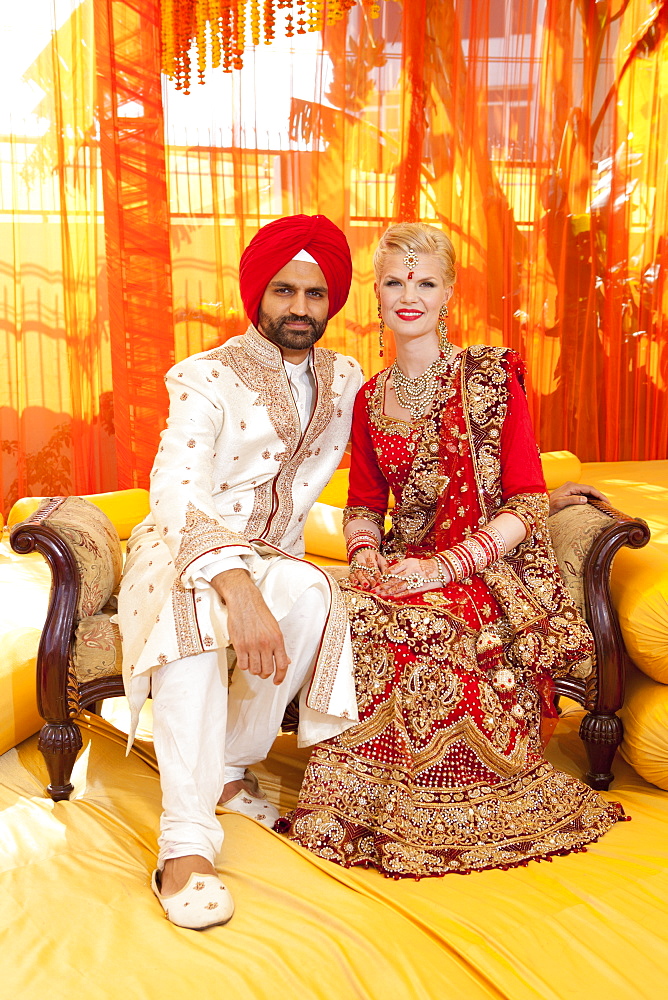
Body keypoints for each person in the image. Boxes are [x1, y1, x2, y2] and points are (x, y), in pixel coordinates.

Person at [280, 222, 625, 878]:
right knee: (340, 605)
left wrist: (441, 567)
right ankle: (357, 807)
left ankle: (444, 806)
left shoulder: (490, 378)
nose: (409, 294)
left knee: (417, 619)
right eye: (394, 281)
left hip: (489, 568)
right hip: (403, 563)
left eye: (426, 281)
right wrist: (363, 558)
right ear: (375, 298)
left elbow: (525, 502)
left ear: (449, 294)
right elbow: (364, 505)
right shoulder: (368, 398)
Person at [117, 214, 363, 928]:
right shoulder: (207, 376)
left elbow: (414, 442)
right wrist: (232, 581)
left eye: (315, 294)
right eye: (283, 291)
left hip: (276, 555)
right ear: (258, 294)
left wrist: (527, 489)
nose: (298, 308)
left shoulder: (344, 379)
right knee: (191, 617)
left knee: (316, 591)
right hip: (180, 552)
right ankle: (184, 846)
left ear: (332, 300)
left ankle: (228, 768)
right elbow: (175, 492)